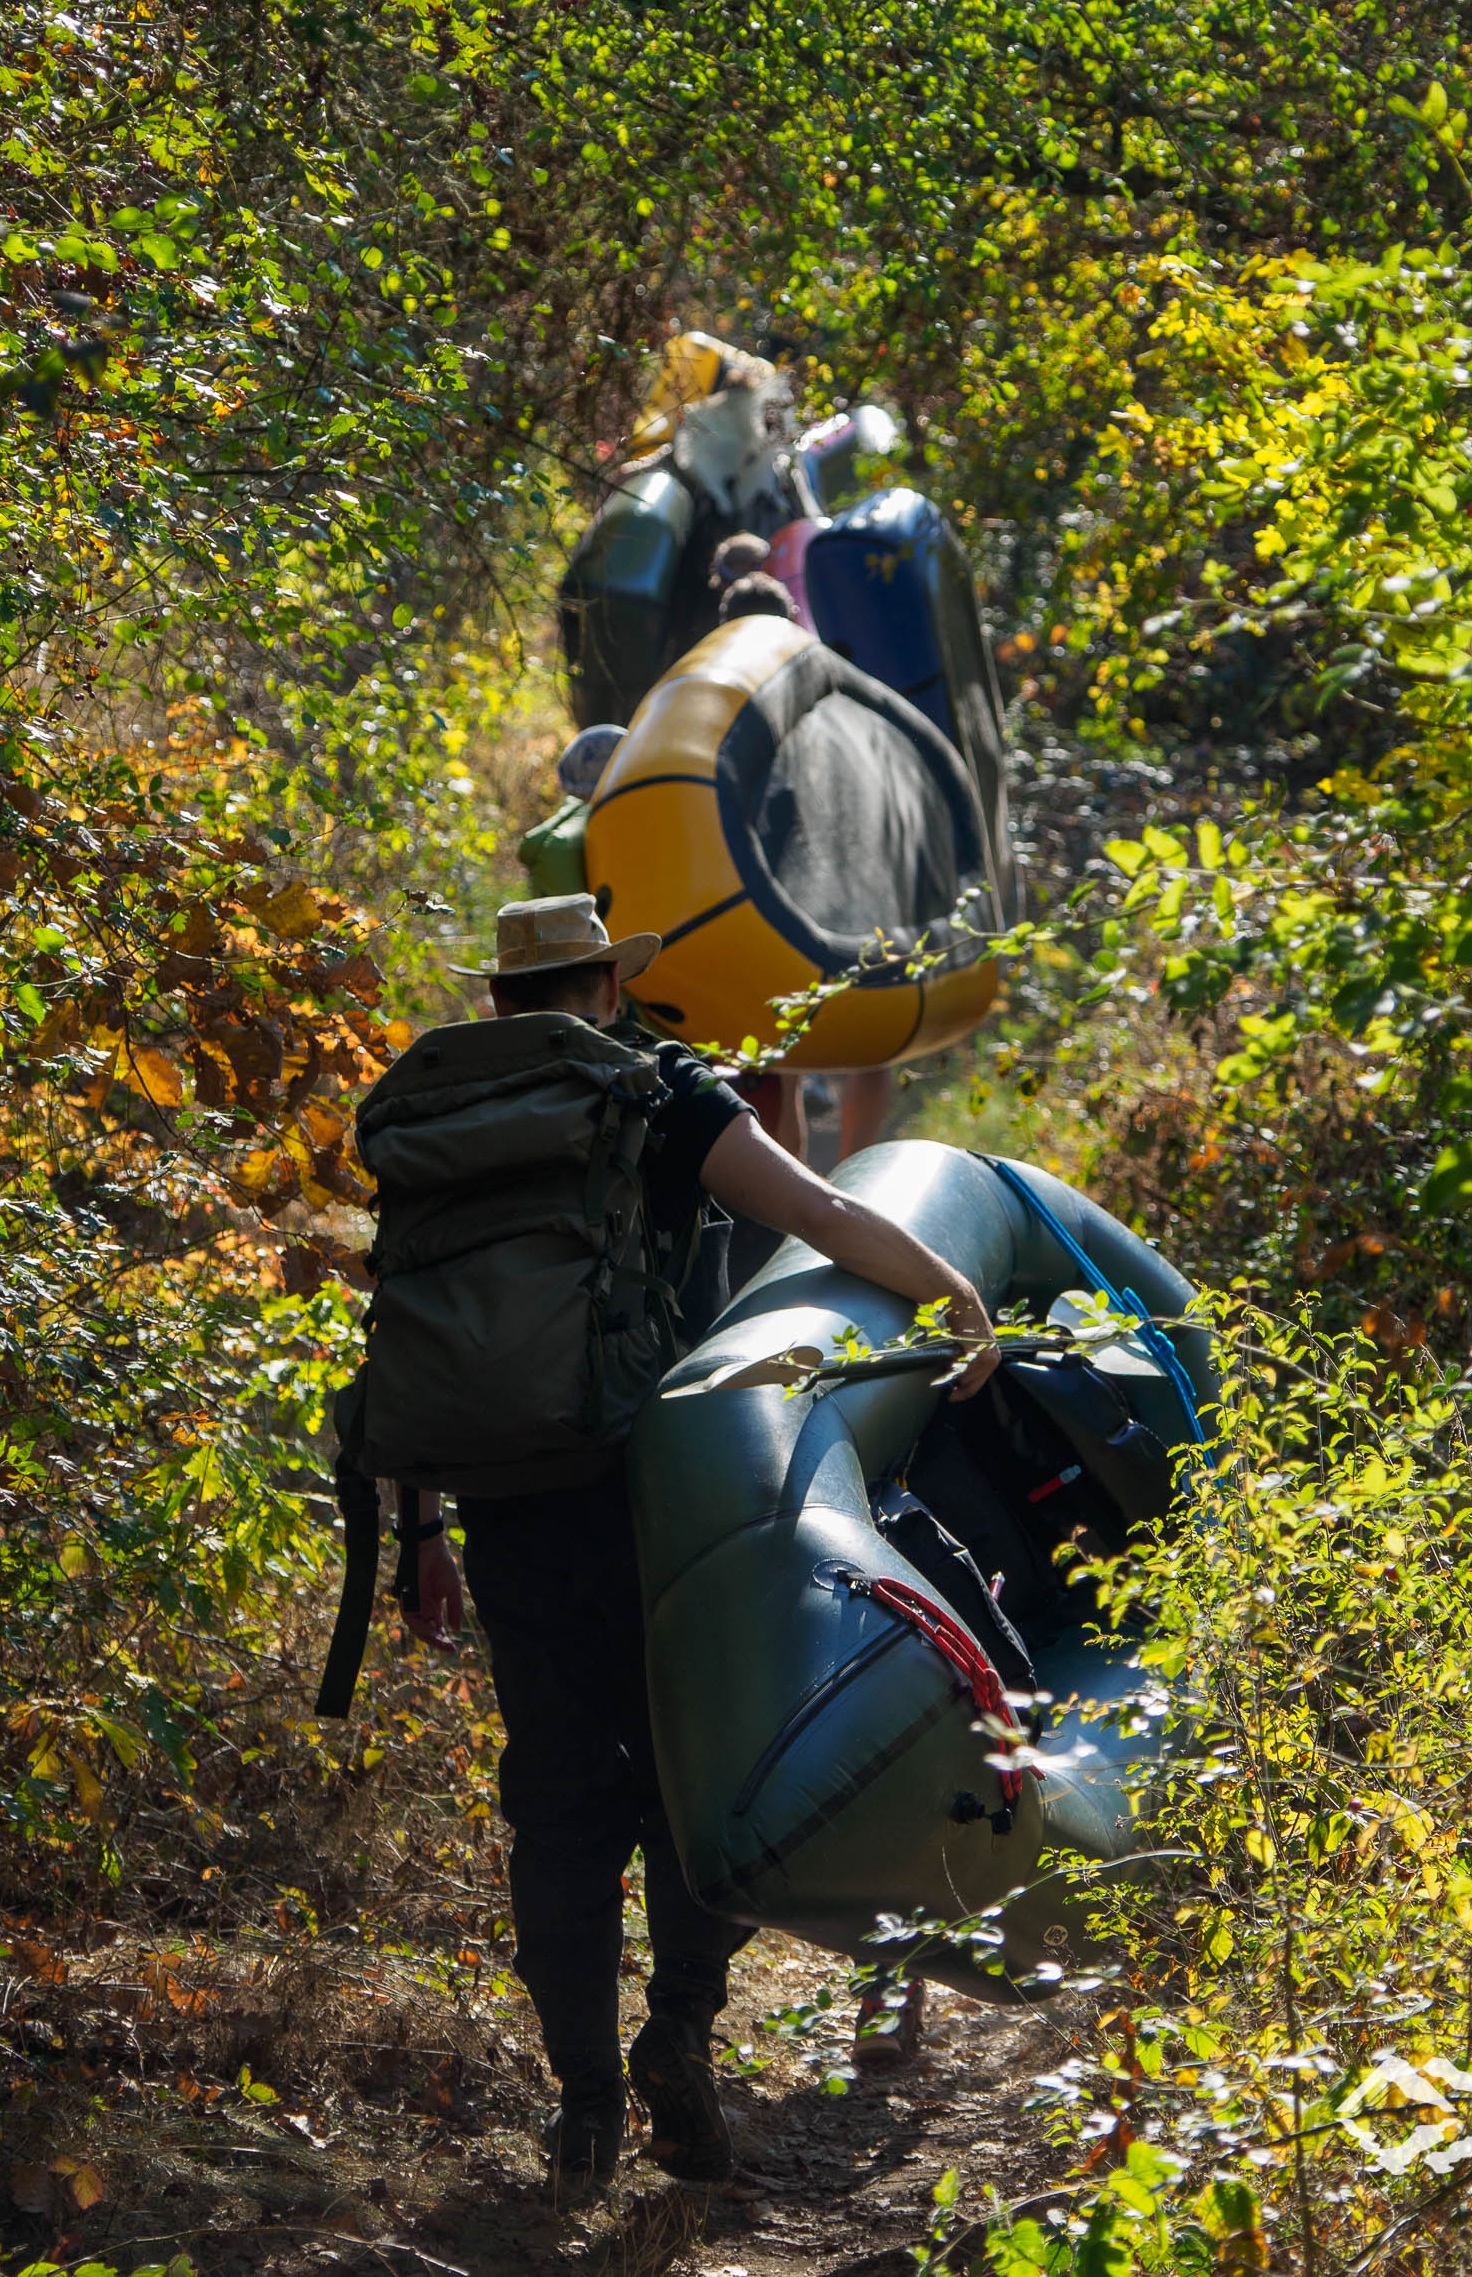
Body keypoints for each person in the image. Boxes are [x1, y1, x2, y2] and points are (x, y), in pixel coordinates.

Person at [404, 893, 1000, 2195]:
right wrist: (953, 1294)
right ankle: (678, 2031)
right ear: (608, 990)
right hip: (667, 1497)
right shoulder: (652, 1091)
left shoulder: (450, 1113)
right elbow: (816, 1213)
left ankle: (582, 2106)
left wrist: (420, 1530)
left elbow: (424, 1336)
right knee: (696, 1776)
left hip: (509, 1505)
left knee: (558, 1804)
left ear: (505, 1000)